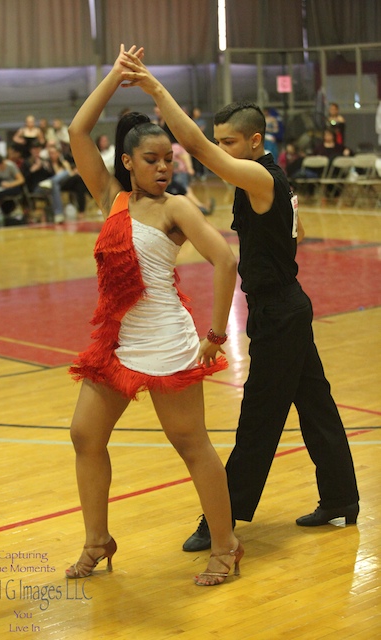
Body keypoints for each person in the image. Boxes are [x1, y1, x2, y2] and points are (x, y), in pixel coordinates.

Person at [120, 47, 360, 553]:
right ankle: (341, 499)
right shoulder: (268, 181)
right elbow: (298, 229)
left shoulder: (262, 176)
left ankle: (220, 523)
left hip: (279, 312)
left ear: (256, 141)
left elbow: (200, 150)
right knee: (316, 407)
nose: (221, 149)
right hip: (285, 306)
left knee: (258, 421)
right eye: (221, 139)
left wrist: (156, 90)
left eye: (231, 142)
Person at [65, 45, 242, 587]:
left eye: (169, 159)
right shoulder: (111, 199)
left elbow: (225, 259)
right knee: (84, 435)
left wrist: (215, 334)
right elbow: (77, 131)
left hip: (167, 338)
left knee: (191, 445)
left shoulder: (176, 208)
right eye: (152, 160)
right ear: (127, 162)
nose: (164, 167)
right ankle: (99, 540)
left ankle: (226, 545)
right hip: (119, 342)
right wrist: (116, 75)